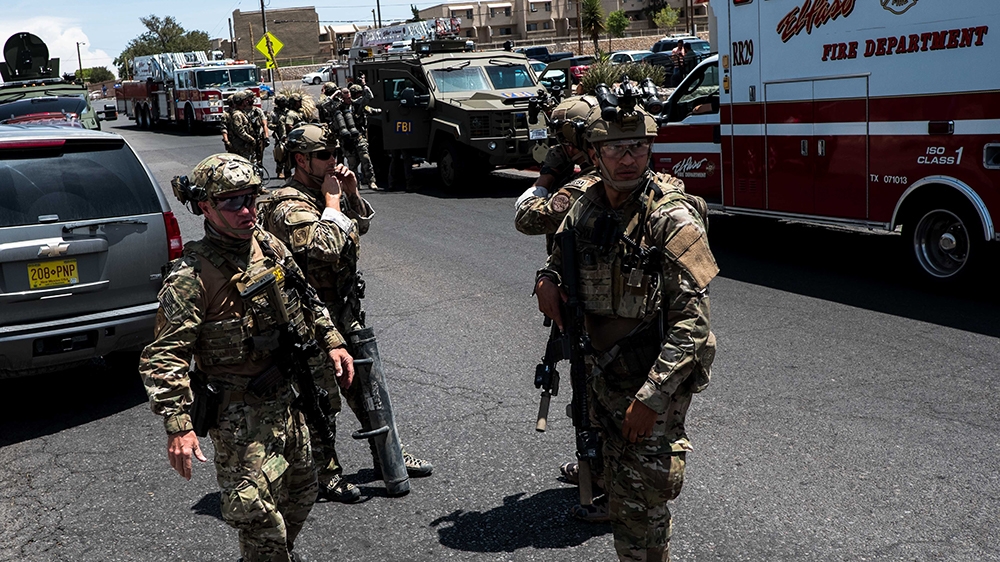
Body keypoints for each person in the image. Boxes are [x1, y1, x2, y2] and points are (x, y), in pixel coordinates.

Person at [139, 153, 355, 562]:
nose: (246, 210)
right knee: (257, 518)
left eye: (251, 199)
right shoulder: (191, 276)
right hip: (240, 414)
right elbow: (164, 356)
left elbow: (306, 299)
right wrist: (178, 425)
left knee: (304, 487)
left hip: (288, 402)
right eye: (232, 202)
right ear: (205, 206)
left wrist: (333, 341)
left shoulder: (268, 244)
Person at [534, 102, 717, 561]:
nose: (628, 157)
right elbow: (562, 257)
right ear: (595, 153)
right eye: (616, 147)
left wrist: (651, 398)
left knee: (642, 504)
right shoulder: (587, 203)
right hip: (599, 375)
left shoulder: (670, 218)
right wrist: (547, 279)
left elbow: (693, 323)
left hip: (647, 379)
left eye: (638, 145)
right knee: (621, 496)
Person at [257, 124, 433, 503]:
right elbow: (326, 247)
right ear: (301, 160)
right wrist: (333, 203)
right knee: (323, 400)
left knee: (367, 389)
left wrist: (350, 195)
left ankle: (390, 454)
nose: (333, 161)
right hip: (311, 321)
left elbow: (360, 228)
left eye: (335, 153)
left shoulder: (323, 192)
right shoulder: (289, 206)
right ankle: (326, 473)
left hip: (344, 311)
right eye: (324, 155)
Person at [270, 94, 290, 179]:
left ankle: (287, 170)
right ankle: (279, 171)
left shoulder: (288, 111)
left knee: (289, 154)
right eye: (282, 102)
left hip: (289, 134)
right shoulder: (273, 113)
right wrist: (277, 126)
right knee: (280, 154)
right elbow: (269, 124)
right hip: (279, 136)